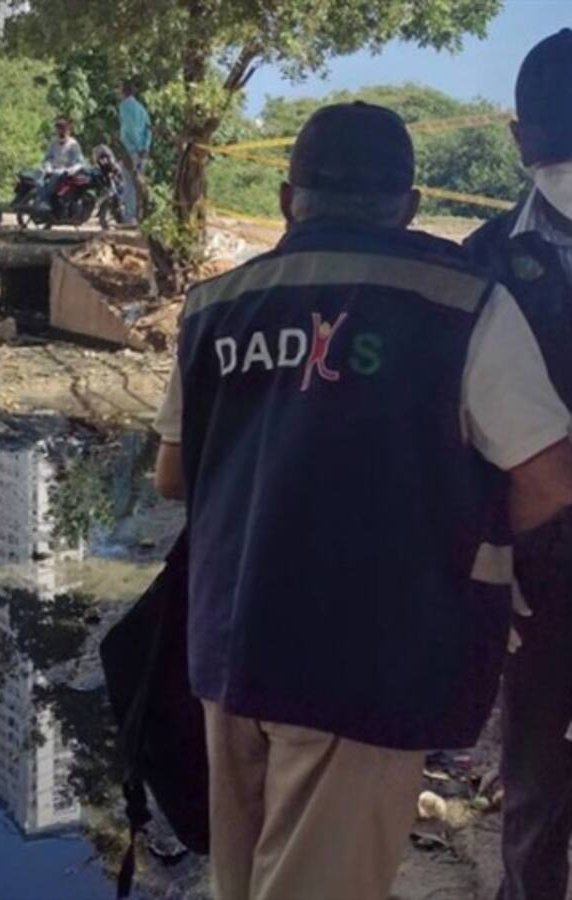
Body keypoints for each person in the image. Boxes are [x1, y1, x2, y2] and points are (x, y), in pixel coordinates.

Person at [152, 101, 572, 900]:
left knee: (239, 881)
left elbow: (174, 476)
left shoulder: (213, 305)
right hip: (364, 662)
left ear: (285, 200)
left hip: (228, 648)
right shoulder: (461, 304)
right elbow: (550, 476)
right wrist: (456, 537)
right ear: (410, 206)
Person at [465, 28, 572, 900]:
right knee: (536, 776)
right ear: (520, 143)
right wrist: (488, 555)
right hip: (536, 566)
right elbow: (452, 434)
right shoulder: (480, 264)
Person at [118, 81, 152, 223]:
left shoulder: (125, 106)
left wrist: (131, 149)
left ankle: (129, 217)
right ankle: (141, 215)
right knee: (139, 184)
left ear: (124, 92)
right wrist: (145, 148)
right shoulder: (141, 108)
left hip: (131, 150)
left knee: (129, 183)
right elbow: (148, 129)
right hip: (143, 152)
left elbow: (127, 129)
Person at [38, 118, 86, 214]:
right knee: (38, 176)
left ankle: (47, 201)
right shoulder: (53, 142)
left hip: (66, 171)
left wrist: (71, 170)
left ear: (68, 130)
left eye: (63, 129)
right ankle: (42, 201)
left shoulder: (73, 144)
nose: (60, 131)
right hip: (52, 169)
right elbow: (48, 157)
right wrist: (47, 166)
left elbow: (80, 162)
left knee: (56, 174)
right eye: (58, 129)